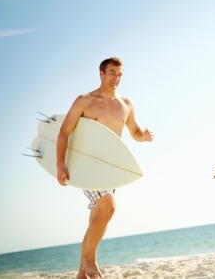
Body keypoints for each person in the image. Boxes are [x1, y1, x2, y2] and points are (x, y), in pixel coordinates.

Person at [56, 57, 154, 279]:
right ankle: (90, 261)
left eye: (119, 74)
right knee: (109, 207)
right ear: (101, 73)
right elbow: (64, 132)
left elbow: (135, 133)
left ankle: (82, 273)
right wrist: (60, 165)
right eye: (112, 73)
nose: (116, 78)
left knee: (96, 219)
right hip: (87, 166)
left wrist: (145, 137)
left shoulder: (126, 105)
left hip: (111, 169)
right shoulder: (85, 101)